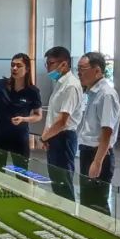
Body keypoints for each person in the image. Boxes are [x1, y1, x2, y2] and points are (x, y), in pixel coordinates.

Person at [76, 52, 120, 216]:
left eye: (82, 69)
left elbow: (107, 131)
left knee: (97, 203)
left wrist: (97, 162)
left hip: (99, 154)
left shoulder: (106, 94)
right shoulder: (90, 93)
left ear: (97, 70)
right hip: (87, 151)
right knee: (87, 201)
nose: (79, 73)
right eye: (78, 69)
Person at [40, 46, 83, 201]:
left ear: (64, 64)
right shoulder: (60, 83)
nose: (48, 68)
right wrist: (47, 136)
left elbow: (62, 121)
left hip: (64, 138)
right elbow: (53, 115)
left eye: (51, 63)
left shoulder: (71, 85)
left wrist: (44, 137)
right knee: (56, 181)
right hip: (55, 137)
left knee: (63, 183)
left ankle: (69, 213)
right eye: (47, 64)